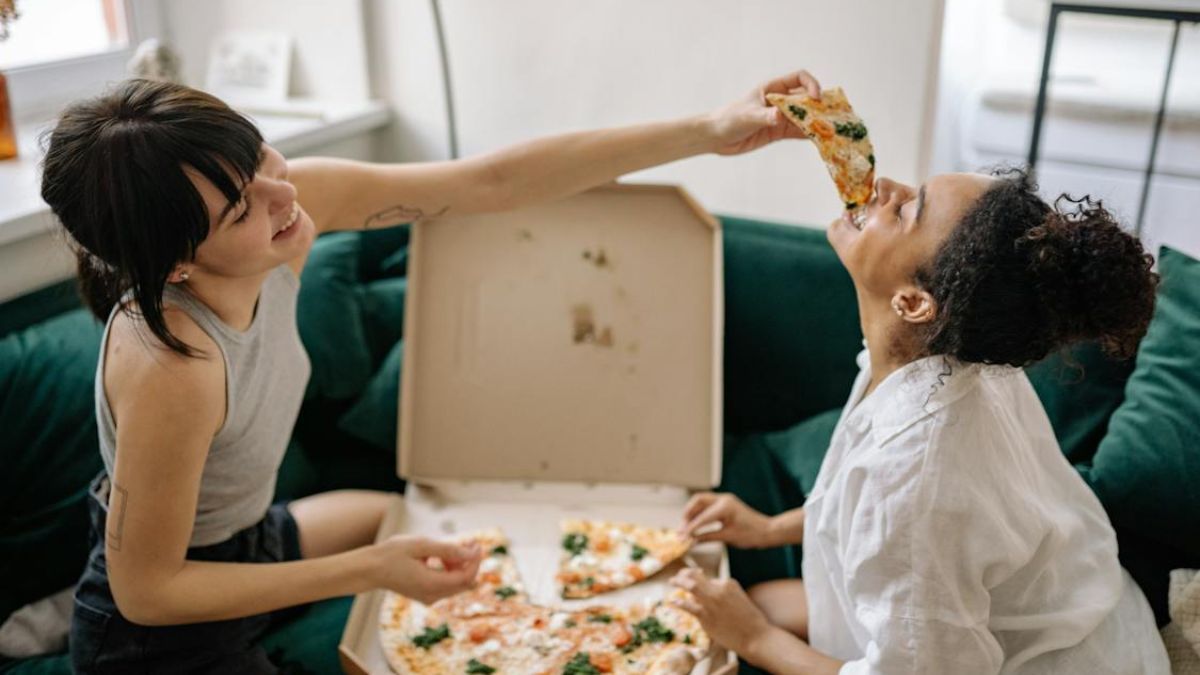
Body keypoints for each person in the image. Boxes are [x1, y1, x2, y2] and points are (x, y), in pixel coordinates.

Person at [42, 70, 818, 673]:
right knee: (374, 546)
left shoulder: (282, 210)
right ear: (177, 264)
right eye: (242, 207)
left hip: (244, 532)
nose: (283, 192)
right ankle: (73, 598)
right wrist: (372, 568)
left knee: (404, 512)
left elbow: (486, 184)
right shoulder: (173, 363)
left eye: (261, 155)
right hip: (155, 635)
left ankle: (102, 553)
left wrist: (712, 129)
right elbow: (152, 591)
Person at [671, 79, 1170, 674]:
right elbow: (870, 505)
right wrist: (771, 528)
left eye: (907, 209)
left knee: (749, 621)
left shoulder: (917, 477)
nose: (884, 187)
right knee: (763, 599)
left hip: (1060, 661)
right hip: (1073, 607)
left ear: (913, 302)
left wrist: (755, 641)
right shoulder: (964, 362)